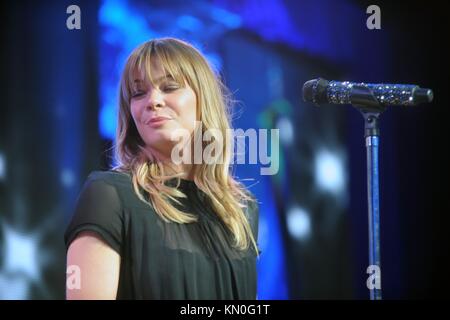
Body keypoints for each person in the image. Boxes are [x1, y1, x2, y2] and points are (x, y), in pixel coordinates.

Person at [64, 37, 260, 300]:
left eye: (169, 87)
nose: (153, 101)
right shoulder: (108, 195)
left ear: (204, 100)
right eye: (138, 92)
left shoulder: (242, 209)